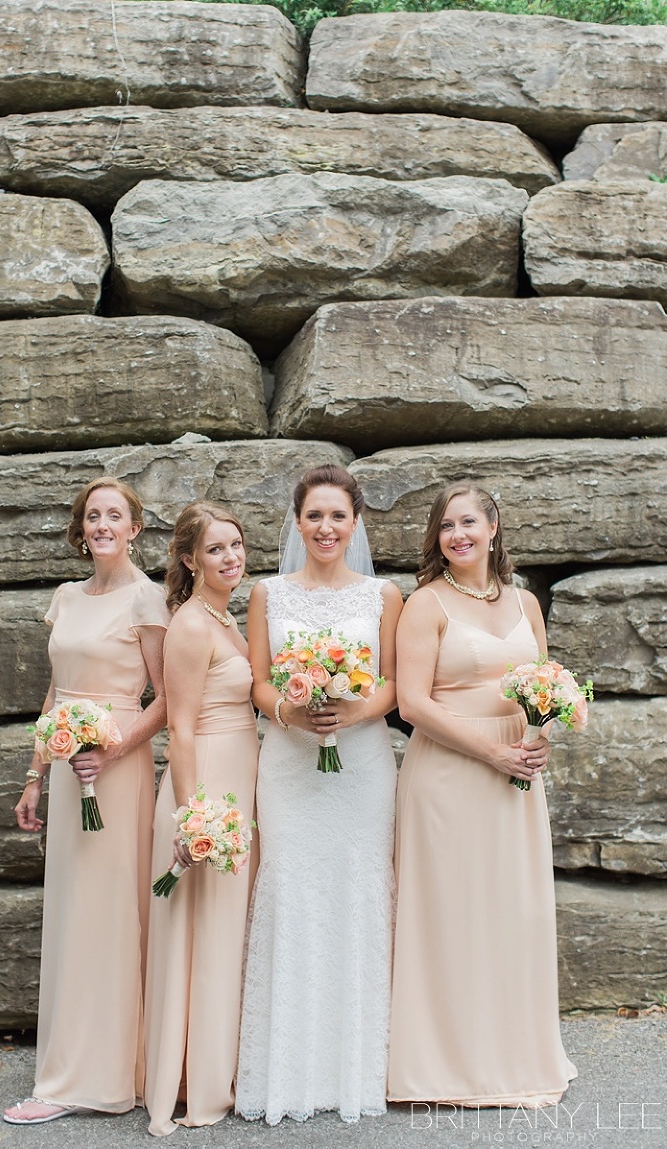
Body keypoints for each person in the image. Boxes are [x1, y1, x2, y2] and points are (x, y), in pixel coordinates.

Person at [388, 483, 576, 1107]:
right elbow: (412, 703)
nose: (457, 534)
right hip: (448, 774)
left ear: (494, 528)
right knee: (452, 913)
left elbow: (545, 685)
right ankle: (447, 1063)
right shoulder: (426, 604)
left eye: (468, 521)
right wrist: (490, 749)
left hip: (518, 773)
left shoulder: (526, 602)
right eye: (446, 526)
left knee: (512, 912)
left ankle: (514, 1052)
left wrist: (541, 736)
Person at [235, 464, 403, 1126]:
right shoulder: (267, 594)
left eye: (338, 515)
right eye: (314, 516)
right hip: (289, 765)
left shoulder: (384, 595)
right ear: (297, 523)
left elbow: (391, 686)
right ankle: (286, 1069)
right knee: (293, 890)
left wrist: (351, 714)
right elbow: (256, 683)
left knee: (359, 893)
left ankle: (359, 1066)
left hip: (361, 766)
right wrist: (293, 711)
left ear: (355, 522)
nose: (326, 527)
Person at [4, 477, 170, 1125]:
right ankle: (82, 1061)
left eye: (114, 515)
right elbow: (56, 693)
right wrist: (33, 773)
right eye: (92, 514)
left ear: (134, 528)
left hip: (117, 769)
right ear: (82, 528)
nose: (102, 523)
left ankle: (89, 1078)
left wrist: (116, 748)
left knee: (106, 914)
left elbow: (166, 699)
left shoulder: (146, 598)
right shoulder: (65, 596)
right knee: (73, 915)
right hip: (70, 771)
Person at [144, 501, 258, 1136]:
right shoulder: (190, 625)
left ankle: (221, 1067)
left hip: (238, 777)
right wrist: (192, 818)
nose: (231, 557)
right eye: (216, 549)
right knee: (205, 934)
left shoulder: (224, 617)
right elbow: (179, 727)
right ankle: (198, 1083)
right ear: (189, 560)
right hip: (207, 781)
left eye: (236, 545)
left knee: (225, 932)